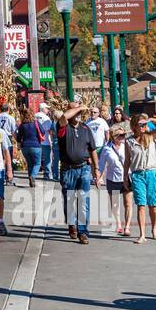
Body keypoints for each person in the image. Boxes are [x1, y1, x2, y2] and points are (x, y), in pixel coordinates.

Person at [124, 112, 156, 243]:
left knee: (153, 205)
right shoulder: (129, 141)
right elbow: (127, 161)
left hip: (151, 173)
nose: (142, 127)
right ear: (134, 126)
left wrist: (150, 119)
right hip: (137, 175)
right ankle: (142, 235)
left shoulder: (151, 136)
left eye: (144, 124)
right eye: (140, 124)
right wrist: (125, 177)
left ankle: (154, 227)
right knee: (141, 205)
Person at [57, 102, 99, 243]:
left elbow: (92, 150)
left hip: (84, 169)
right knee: (69, 200)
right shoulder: (63, 126)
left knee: (84, 200)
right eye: (75, 110)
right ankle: (71, 224)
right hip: (68, 169)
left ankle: (83, 231)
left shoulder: (86, 128)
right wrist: (79, 108)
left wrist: (96, 170)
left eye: (80, 112)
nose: (78, 114)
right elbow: (63, 117)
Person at [97, 125, 133, 236]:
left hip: (127, 178)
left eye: (124, 135)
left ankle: (127, 227)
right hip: (112, 179)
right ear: (114, 136)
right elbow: (101, 164)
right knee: (115, 205)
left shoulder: (127, 146)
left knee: (128, 204)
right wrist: (99, 178)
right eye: (121, 135)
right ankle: (118, 224)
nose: (123, 137)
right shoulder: (106, 149)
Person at [16, 106, 45, 187]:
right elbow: (42, 132)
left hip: (25, 147)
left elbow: (18, 137)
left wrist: (19, 146)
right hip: (36, 146)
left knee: (30, 164)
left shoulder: (22, 125)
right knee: (37, 164)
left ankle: (31, 182)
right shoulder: (36, 123)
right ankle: (33, 177)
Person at [35, 103, 56, 181]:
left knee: (37, 159)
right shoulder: (46, 118)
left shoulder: (35, 115)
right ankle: (47, 174)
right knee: (47, 158)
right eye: (46, 108)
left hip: (36, 141)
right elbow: (49, 130)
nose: (48, 110)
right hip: (45, 141)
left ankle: (33, 174)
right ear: (43, 109)